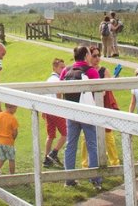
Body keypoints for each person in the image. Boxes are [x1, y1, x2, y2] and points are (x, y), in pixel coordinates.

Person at [61, 45, 103, 189]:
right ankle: (95, 179)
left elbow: (59, 90)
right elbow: (100, 93)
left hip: (71, 112)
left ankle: (69, 179)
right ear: (86, 56)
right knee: (92, 144)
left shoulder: (66, 70)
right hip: (87, 113)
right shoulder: (91, 71)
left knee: (70, 145)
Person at [43, 58, 67, 167]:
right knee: (66, 133)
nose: (63, 69)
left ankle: (46, 158)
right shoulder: (58, 80)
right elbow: (58, 94)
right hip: (56, 109)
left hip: (48, 110)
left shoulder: (49, 79)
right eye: (61, 67)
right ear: (55, 68)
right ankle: (54, 153)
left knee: (50, 135)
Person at [0, 103, 20, 175]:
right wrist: (14, 138)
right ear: (12, 107)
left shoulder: (0, 115)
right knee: (11, 159)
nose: (16, 110)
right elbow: (15, 132)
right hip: (8, 142)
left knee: (1, 157)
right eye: (16, 108)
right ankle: (12, 174)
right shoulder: (13, 118)